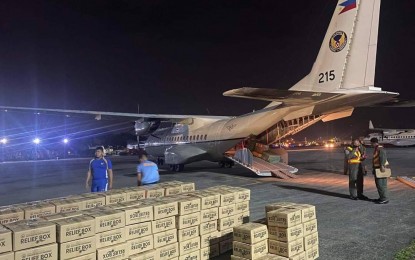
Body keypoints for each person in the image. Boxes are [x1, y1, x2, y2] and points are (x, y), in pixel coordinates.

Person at [371, 138, 389, 204]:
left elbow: (383, 157)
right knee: (380, 184)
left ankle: (384, 198)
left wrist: (382, 166)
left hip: (380, 168)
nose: (371, 145)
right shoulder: (377, 148)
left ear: (373, 143)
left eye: (371, 143)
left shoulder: (379, 148)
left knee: (381, 184)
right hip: (377, 167)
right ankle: (382, 197)